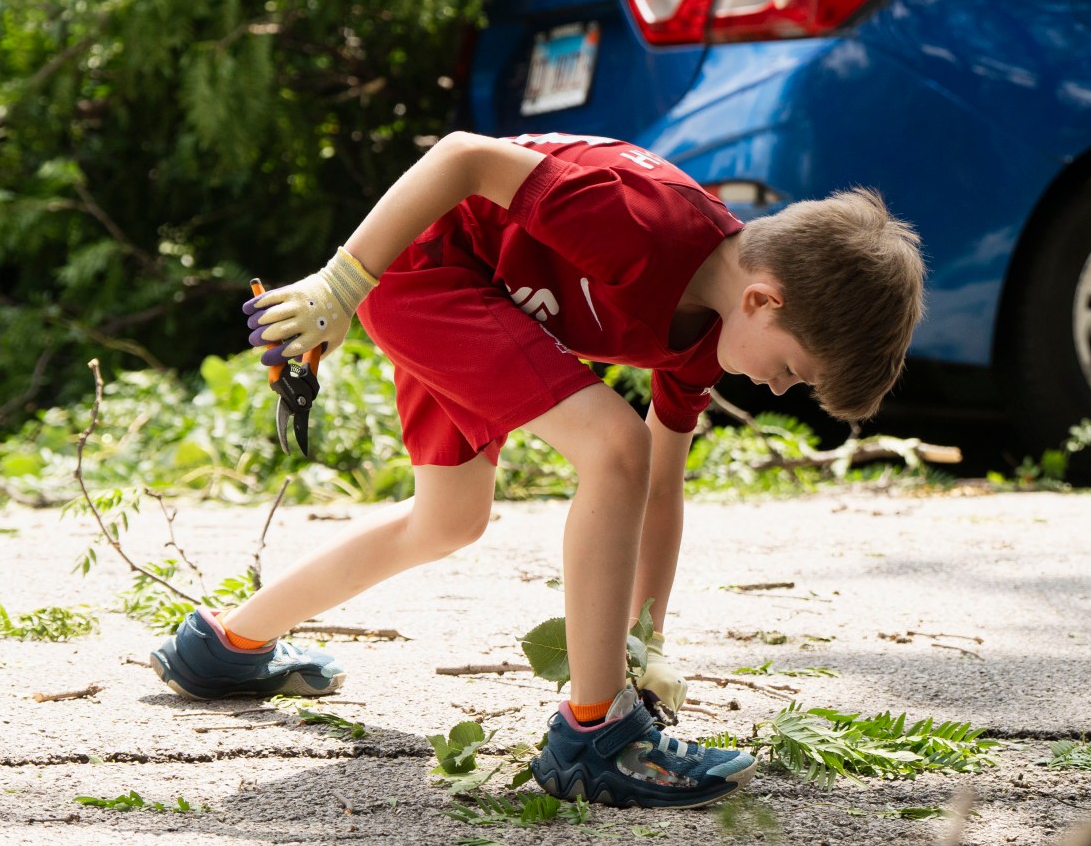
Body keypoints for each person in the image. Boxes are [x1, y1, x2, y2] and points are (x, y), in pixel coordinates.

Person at [146, 132, 925, 809]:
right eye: (790, 369)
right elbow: (463, 156)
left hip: (486, 297)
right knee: (612, 445)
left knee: (449, 518)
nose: (778, 388)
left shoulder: (705, 335)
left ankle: (224, 646)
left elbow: (660, 489)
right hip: (426, 265)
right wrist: (338, 286)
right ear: (763, 299)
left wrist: (643, 644)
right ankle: (596, 737)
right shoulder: (645, 223)